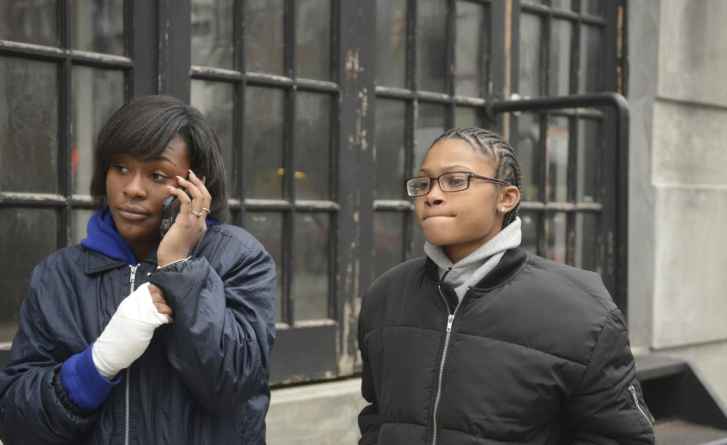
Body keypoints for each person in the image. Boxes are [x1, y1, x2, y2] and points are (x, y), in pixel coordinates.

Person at [0, 95, 276, 445]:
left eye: (157, 174)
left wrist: (179, 266)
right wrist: (97, 365)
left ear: (196, 186)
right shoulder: (59, 276)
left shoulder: (238, 258)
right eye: (121, 168)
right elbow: (15, 419)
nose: (132, 189)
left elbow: (232, 384)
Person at [357, 127, 655, 444]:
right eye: (424, 183)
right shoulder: (387, 296)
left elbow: (620, 438)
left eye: (455, 181)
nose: (433, 195)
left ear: (506, 197)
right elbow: (379, 417)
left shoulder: (582, 311)